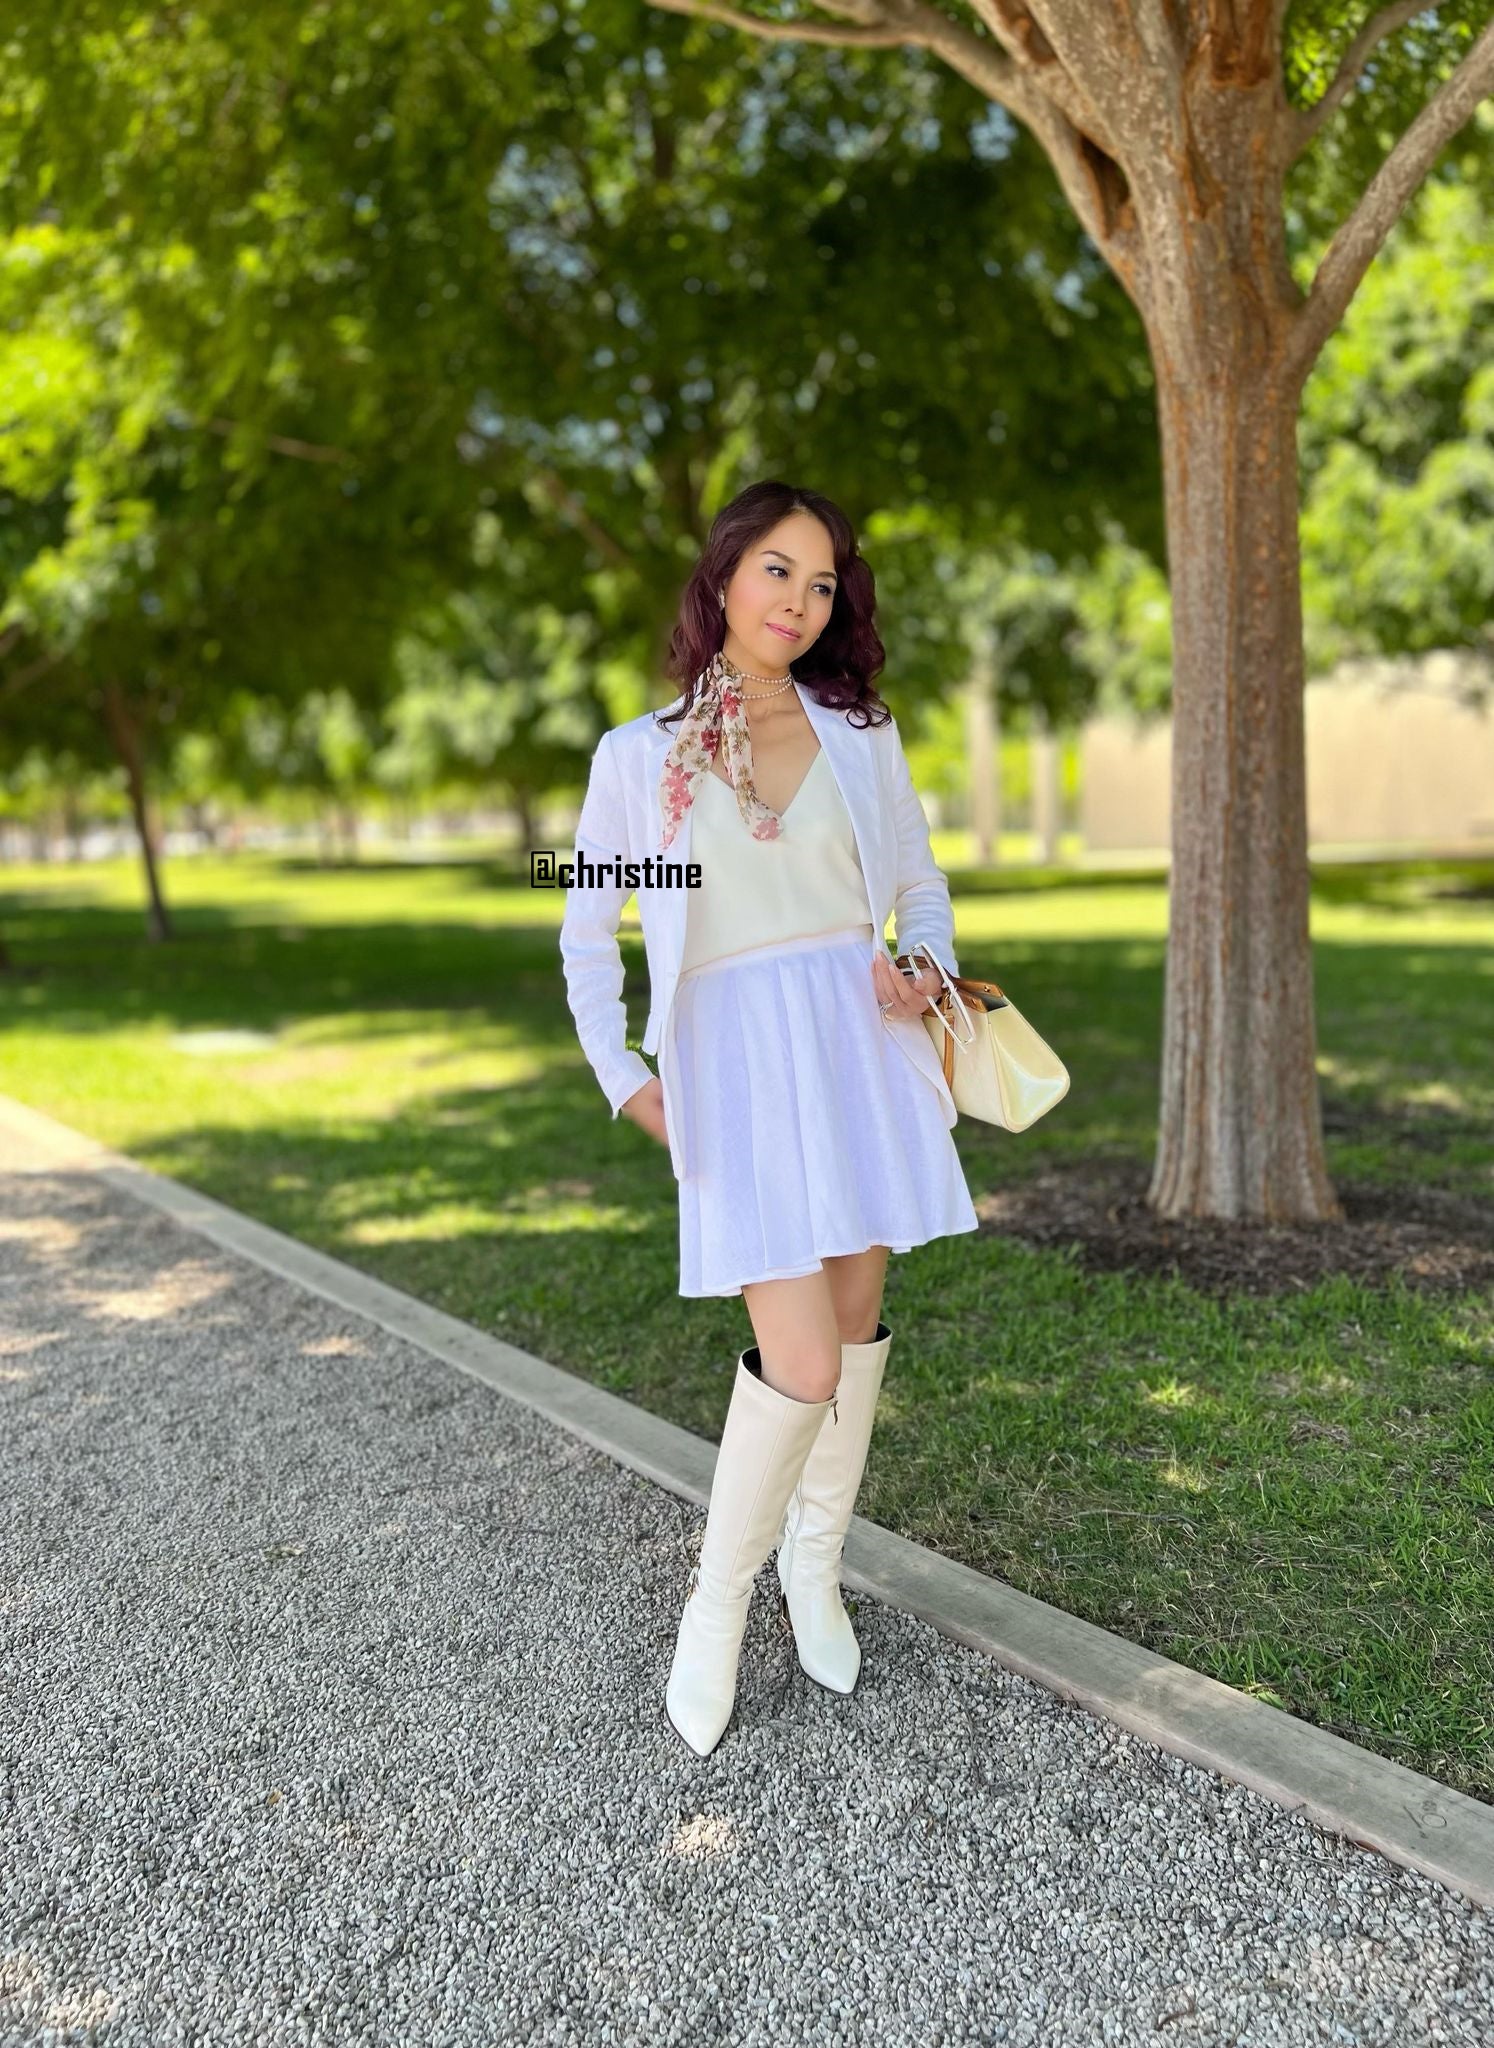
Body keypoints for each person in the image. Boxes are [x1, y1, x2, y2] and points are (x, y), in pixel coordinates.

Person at [559, 478, 978, 1758]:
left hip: (858, 1053)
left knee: (850, 1331)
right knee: (800, 1361)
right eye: (778, 570)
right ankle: (719, 1599)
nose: (800, 599)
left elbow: (919, 884)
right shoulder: (641, 756)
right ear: (726, 574)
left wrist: (923, 963)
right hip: (735, 1067)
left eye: (823, 581)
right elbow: (586, 926)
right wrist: (626, 1076)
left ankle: (815, 1564)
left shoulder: (861, 733)